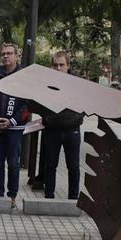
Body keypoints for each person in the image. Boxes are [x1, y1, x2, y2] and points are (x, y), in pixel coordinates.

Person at [0, 44, 29, 208]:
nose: (6, 56)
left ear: (16, 55)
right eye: (3, 53)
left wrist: (12, 121)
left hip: (15, 129)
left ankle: (12, 196)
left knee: (13, 163)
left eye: (9, 53)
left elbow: (27, 104)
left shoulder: (24, 76)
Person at [41, 51, 84, 200]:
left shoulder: (78, 84)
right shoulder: (46, 84)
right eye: (55, 65)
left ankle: (73, 198)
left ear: (68, 66)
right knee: (50, 165)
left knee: (73, 167)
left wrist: (75, 119)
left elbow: (84, 105)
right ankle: (49, 196)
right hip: (51, 130)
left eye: (61, 65)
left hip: (72, 130)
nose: (58, 68)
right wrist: (47, 119)